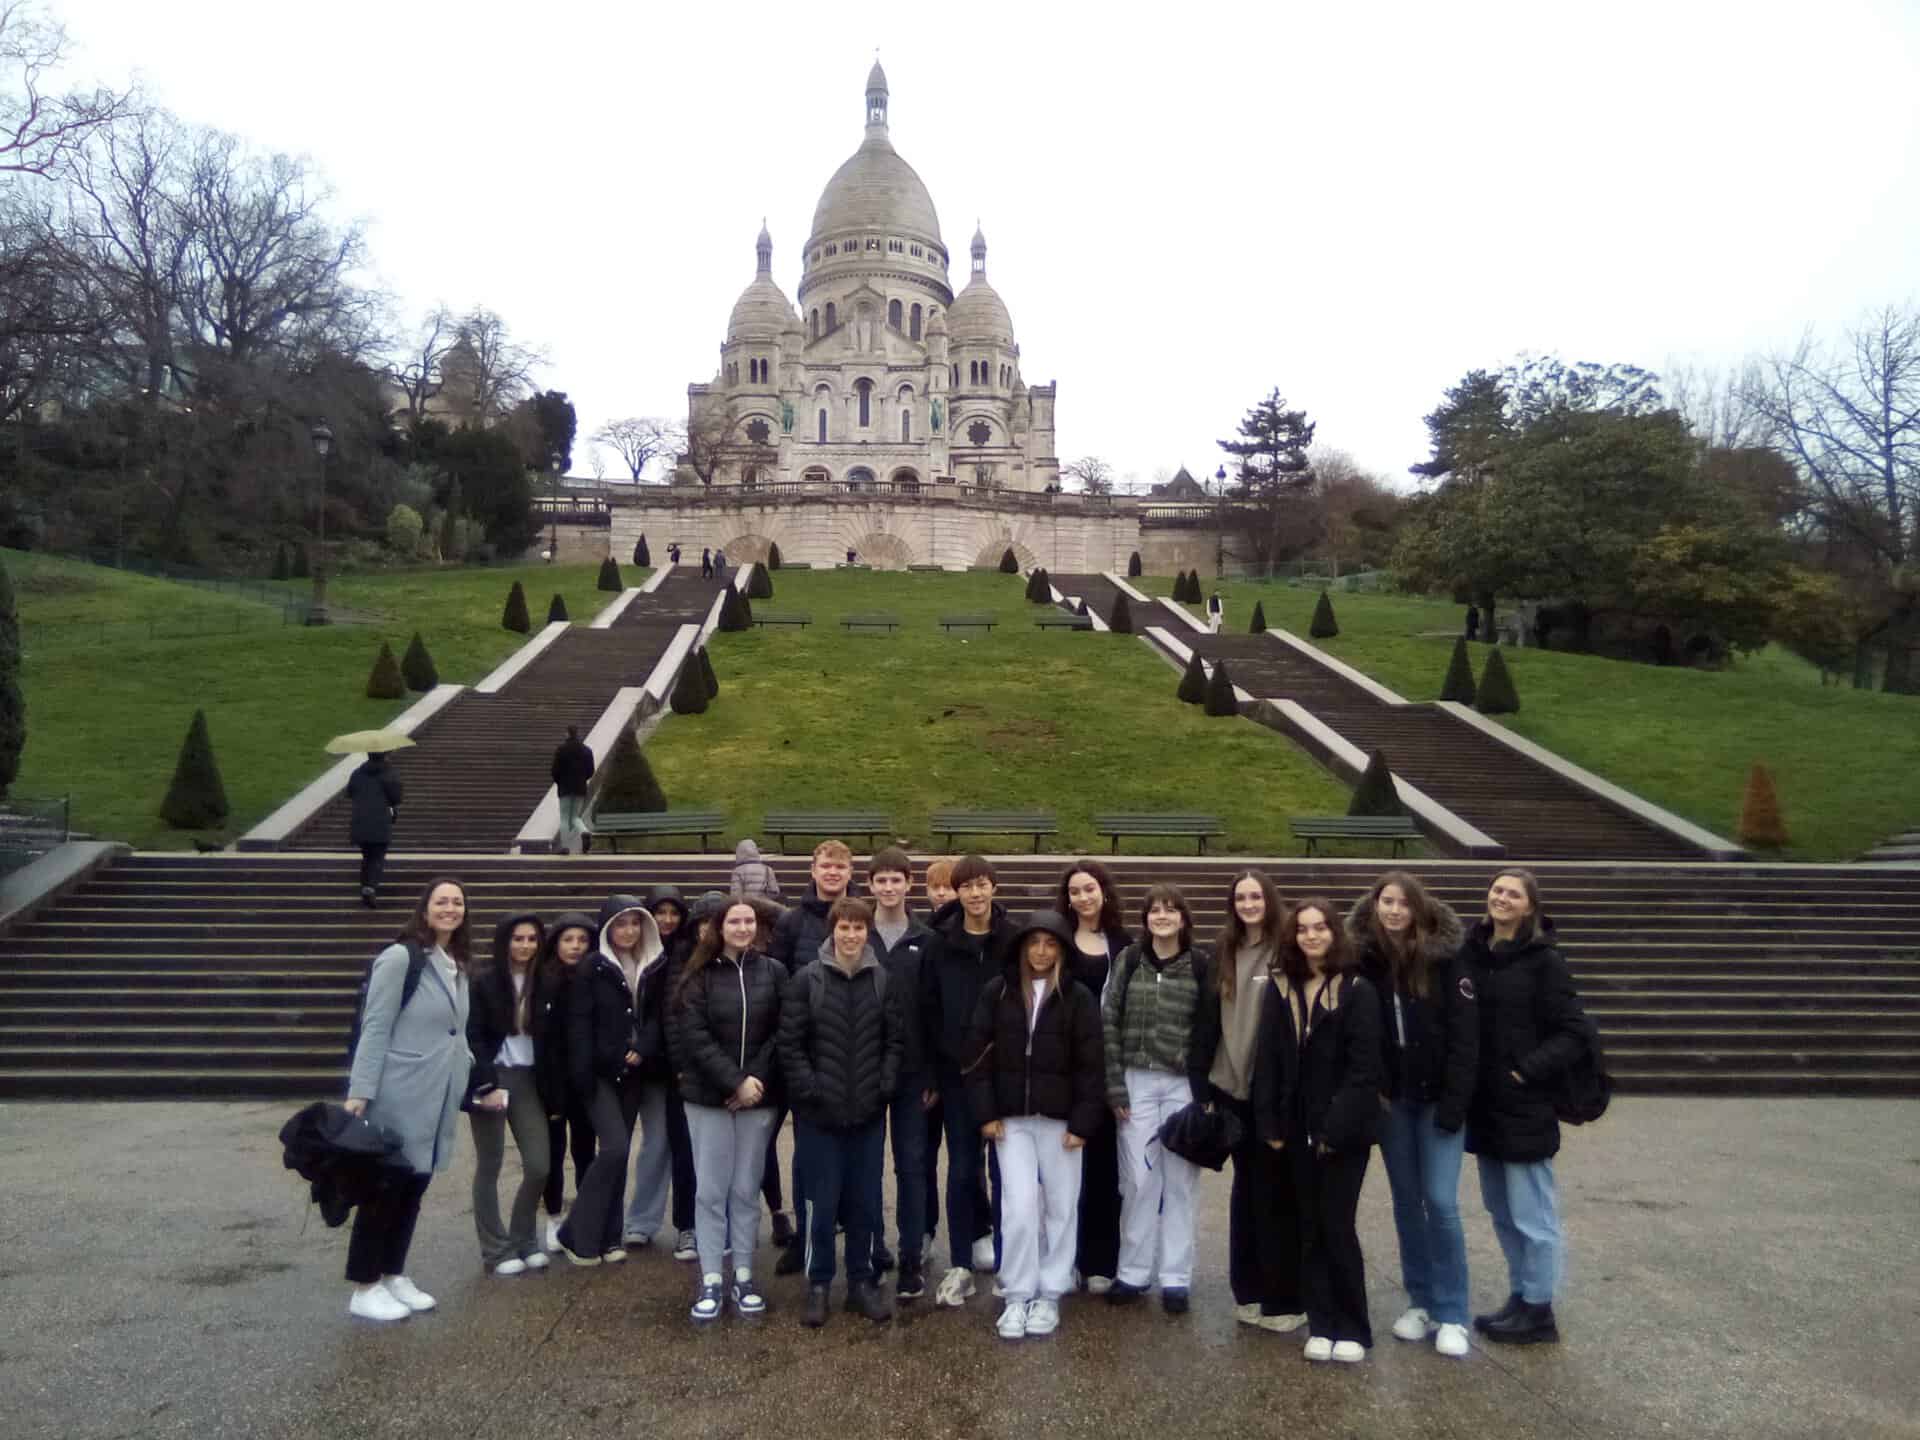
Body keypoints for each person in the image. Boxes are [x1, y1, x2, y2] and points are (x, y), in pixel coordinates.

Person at [1464, 869, 1593, 1346]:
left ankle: (1539, 1308)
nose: (1501, 898)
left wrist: (1525, 1071)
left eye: (1513, 894)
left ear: (1529, 907)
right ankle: (1520, 1296)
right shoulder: (1475, 951)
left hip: (1524, 1106)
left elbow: (1575, 1031)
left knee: (1532, 1214)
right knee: (1501, 1210)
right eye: (1497, 890)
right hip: (1486, 1107)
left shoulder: (1545, 962)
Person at [1349, 871, 1475, 1358]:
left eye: (1402, 903)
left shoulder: (1445, 960)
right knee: (1406, 1202)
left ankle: (1453, 1311)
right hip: (1394, 1100)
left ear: (1417, 909)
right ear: (1375, 906)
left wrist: (1456, 1102)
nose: (1394, 910)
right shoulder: (1367, 959)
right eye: (1386, 901)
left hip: (1439, 1100)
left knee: (1441, 1202)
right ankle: (1420, 1300)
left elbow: (1467, 1039)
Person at [964, 910, 1106, 1340]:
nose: (1041, 952)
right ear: (1023, 948)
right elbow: (977, 1056)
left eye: (1050, 944)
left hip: (1061, 1121)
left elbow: (1091, 1065)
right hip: (1012, 1121)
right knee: (1020, 1209)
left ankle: (1051, 1290)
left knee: (1061, 1209)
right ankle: (1018, 1292)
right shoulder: (999, 990)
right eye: (1034, 943)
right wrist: (986, 1113)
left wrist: (1083, 1121)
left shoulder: (1077, 997)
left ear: (1061, 949)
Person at [1254, 897, 1384, 1363]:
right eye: (1302, 929)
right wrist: (1269, 1121)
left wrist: (1334, 1127)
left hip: (1341, 1130)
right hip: (1294, 1126)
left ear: (1334, 933)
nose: (1311, 936)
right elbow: (1267, 1057)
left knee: (1337, 1224)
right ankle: (1322, 1320)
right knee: (1308, 1225)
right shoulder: (1281, 988)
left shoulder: (1356, 991)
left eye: (1320, 928)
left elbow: (1364, 1070)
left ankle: (1353, 1326)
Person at [343, 877, 473, 1321]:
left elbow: (458, 1031)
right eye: (441, 901)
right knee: (385, 1188)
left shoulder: (456, 960)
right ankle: (365, 1285)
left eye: (457, 902)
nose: (450, 908)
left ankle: (394, 1273)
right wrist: (360, 1091)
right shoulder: (401, 958)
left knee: (414, 1188)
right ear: (424, 908)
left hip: (437, 1095)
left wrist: (471, 1076)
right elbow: (374, 1026)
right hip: (399, 1092)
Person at [778, 896, 904, 1326]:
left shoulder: (880, 980)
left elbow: (893, 1042)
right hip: (820, 1116)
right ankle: (818, 1283)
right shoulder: (807, 980)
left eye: (858, 928)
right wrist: (811, 1091)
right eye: (844, 928)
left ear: (867, 933)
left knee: (866, 1201)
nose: (851, 936)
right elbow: (790, 1045)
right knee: (820, 1203)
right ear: (833, 931)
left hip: (867, 1113)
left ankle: (860, 1282)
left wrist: (884, 1085)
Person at [1191, 868, 1302, 1332]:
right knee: (1245, 1191)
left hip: (1272, 1090)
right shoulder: (1224, 950)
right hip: (1230, 1087)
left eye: (1256, 896)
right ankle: (1248, 1290)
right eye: (1241, 897)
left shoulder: (1288, 948)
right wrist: (1203, 1086)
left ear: (1269, 899)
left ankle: (1283, 1295)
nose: (1249, 903)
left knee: (1276, 1191)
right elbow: (1208, 1017)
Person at [672, 899, 787, 1322]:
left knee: (744, 1190)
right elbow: (695, 1036)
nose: (742, 928)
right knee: (710, 1191)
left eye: (749, 921)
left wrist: (753, 1079)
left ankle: (742, 1271)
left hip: (758, 1098)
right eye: (734, 921)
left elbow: (781, 1031)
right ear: (719, 927)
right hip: (710, 1099)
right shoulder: (697, 976)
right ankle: (710, 1277)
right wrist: (733, 1081)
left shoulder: (773, 972)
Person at [1103, 883, 1210, 1313]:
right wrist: (1114, 1083)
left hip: (1182, 1081)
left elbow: (1209, 1026)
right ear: (1145, 919)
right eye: (1154, 911)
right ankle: (1132, 1271)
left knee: (1181, 1181)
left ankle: (1175, 1277)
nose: (1162, 917)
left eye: (1170, 911)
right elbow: (1109, 1019)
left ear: (1183, 918)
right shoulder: (1130, 961)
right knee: (1138, 1179)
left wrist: (1206, 1091)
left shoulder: (1201, 965)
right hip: (1137, 1079)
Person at [922, 854, 1018, 1307]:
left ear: (994, 888)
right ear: (956, 893)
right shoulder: (939, 943)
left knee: (1005, 1171)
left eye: (983, 884)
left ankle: (1006, 1258)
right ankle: (959, 1262)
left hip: (1005, 1074)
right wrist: (931, 1072)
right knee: (961, 1168)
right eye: (967, 886)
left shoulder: (1014, 940)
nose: (976, 893)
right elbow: (927, 1010)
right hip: (957, 1073)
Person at [553, 896, 664, 1265]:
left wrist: (644, 1046)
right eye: (621, 924)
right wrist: (603, 1061)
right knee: (614, 1148)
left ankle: (610, 1236)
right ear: (607, 928)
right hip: (599, 1074)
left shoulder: (651, 963)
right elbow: (580, 1026)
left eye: (635, 923)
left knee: (617, 1158)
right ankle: (575, 1232)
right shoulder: (592, 968)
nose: (629, 931)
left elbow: (657, 1016)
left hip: (634, 1073)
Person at [767, 839, 857, 1272]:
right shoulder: (792, 921)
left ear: (850, 872)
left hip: (852, 1053)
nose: (833, 872)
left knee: (855, 1154)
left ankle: (860, 1236)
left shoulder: (860, 918)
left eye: (841, 866)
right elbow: (778, 979)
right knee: (806, 1155)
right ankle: (804, 1235)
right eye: (826, 865)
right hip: (803, 1051)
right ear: (813, 869)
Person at [1054, 860, 1130, 1294]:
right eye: (1076, 891)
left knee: (1103, 1169)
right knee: (1065, 1168)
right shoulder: (1059, 941)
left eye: (1090, 889)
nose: (1084, 897)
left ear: (1103, 891)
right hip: (1067, 1067)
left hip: (1108, 1065)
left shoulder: (1122, 943)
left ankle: (1101, 1259)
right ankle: (1067, 1258)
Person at [466, 911, 553, 1277]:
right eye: (518, 938)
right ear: (505, 941)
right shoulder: (484, 982)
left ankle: (524, 1239)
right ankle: (495, 1249)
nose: (525, 946)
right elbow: (473, 1035)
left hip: (529, 1079)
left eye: (532, 939)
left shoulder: (544, 981)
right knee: (491, 1164)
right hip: (493, 1076)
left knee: (539, 1165)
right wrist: (485, 1084)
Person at [866, 846, 936, 1298]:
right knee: (868, 1167)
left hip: (912, 1072)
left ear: (909, 884)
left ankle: (912, 1255)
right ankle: (873, 1249)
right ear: (870, 884)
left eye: (897, 880)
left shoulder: (925, 938)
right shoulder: (855, 932)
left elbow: (935, 1009)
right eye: (881, 880)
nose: (889, 888)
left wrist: (931, 1072)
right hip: (865, 1068)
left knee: (912, 1165)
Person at [644, 886, 699, 1263]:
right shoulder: (645, 947)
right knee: (659, 1146)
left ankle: (690, 1225)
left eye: (673, 913)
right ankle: (645, 1222)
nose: (667, 920)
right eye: (660, 912)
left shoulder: (685, 951)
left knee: (686, 1148)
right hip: (653, 1064)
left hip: (684, 1065)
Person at [538, 914, 596, 1253]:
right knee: (553, 1154)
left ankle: (585, 1217)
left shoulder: (594, 979)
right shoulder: (543, 980)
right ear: (556, 943)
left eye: (582, 940)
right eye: (567, 940)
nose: (575, 947)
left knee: (586, 1151)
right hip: (552, 1082)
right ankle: (554, 1216)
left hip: (585, 1080)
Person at [347, 751, 401, 908]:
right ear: (385, 755)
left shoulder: (357, 773)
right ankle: (370, 887)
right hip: (380, 821)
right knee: (377, 857)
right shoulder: (390, 773)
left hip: (360, 821)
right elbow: (397, 798)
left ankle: (365, 887)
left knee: (367, 856)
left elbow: (350, 792)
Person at [550, 727, 595, 855]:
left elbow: (554, 771)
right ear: (577, 734)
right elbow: (590, 770)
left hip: (565, 787)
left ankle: (565, 847)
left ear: (567, 734)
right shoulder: (586, 750)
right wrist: (582, 779)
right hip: (580, 787)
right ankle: (584, 831)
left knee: (564, 817)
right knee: (575, 816)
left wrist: (559, 781)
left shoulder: (561, 750)